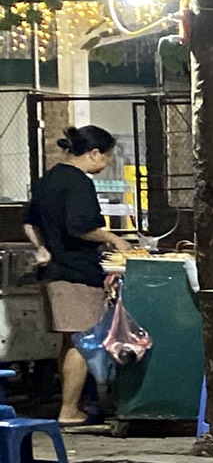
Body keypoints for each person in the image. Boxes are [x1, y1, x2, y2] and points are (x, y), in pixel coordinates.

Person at [28, 125, 141, 425]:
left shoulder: (48, 179)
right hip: (76, 272)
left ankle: (75, 404)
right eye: (106, 156)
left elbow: (28, 222)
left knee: (70, 341)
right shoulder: (79, 182)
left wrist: (42, 249)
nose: (106, 162)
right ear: (93, 153)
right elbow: (80, 226)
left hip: (54, 271)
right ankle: (69, 410)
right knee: (82, 341)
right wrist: (113, 238)